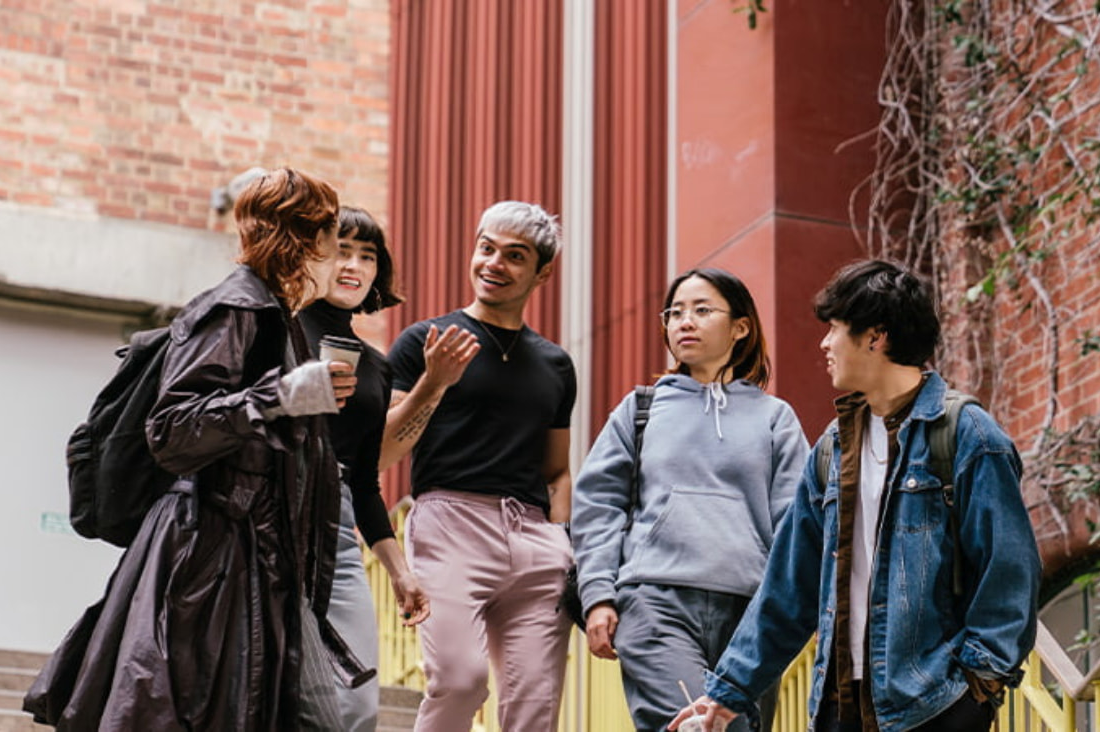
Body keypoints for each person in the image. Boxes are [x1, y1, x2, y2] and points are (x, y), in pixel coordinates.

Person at [24, 167, 369, 730]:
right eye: (331, 228)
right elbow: (173, 428)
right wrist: (284, 395)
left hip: (247, 553)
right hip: (207, 555)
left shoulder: (273, 313)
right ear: (303, 235)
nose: (337, 244)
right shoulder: (235, 307)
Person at [669, 259, 1042, 732]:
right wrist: (728, 694)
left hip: (933, 704)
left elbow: (1010, 574)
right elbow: (789, 585)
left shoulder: (966, 436)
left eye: (835, 330)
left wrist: (977, 688)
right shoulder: (833, 448)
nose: (824, 344)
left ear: (875, 337)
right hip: (839, 702)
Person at [572, 267, 808, 732]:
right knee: (693, 728)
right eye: (675, 312)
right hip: (655, 602)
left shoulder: (775, 418)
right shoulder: (640, 410)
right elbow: (598, 506)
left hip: (751, 612)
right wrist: (598, 594)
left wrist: (788, 609)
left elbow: (795, 524)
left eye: (702, 310)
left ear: (741, 327)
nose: (685, 322)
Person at [385, 200, 577, 731]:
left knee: (535, 705)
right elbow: (385, 452)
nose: (493, 263)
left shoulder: (556, 364)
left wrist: (560, 538)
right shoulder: (425, 342)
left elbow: (556, 469)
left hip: (536, 538)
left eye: (514, 255)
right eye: (486, 248)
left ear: (542, 273)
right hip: (450, 523)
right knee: (460, 680)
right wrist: (434, 381)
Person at [297, 205, 474, 730]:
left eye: (367, 256)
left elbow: (364, 477)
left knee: (355, 701)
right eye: (341, 250)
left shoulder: (377, 367)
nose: (353, 266)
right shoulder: (273, 332)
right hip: (264, 521)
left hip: (338, 531)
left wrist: (400, 571)